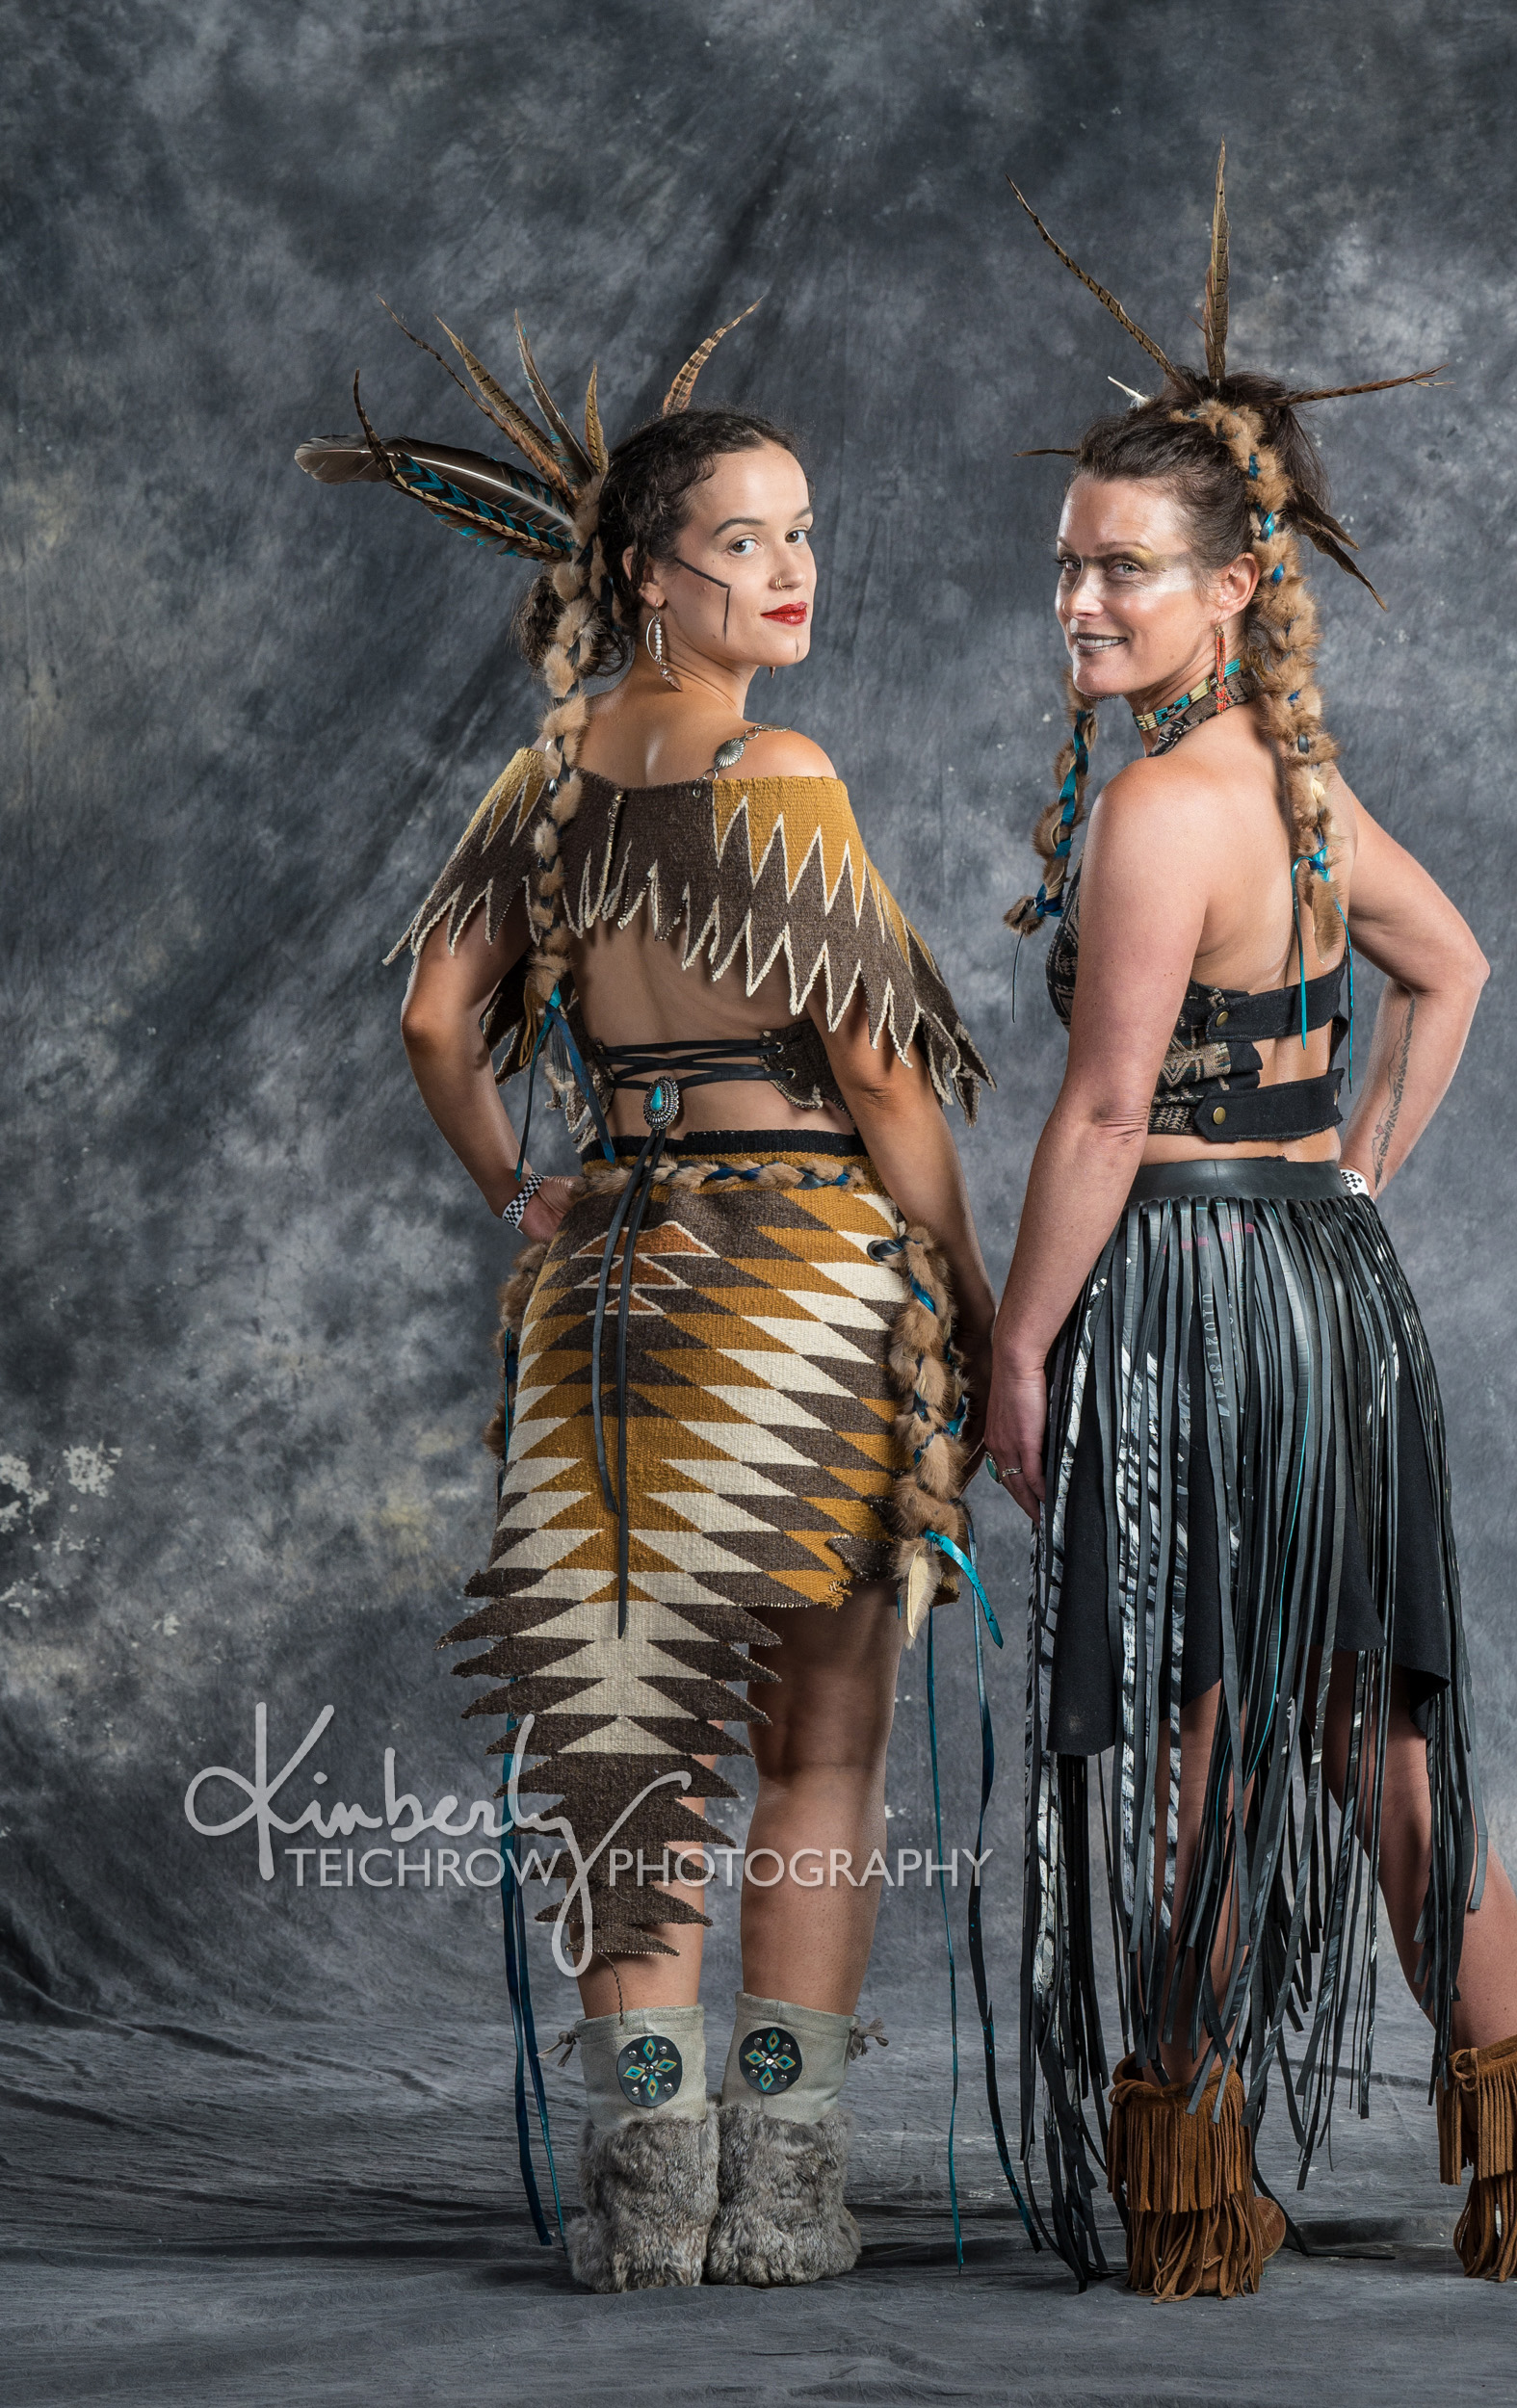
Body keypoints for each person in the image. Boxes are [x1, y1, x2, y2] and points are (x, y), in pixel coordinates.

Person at [984, 159, 1517, 2298]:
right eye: (1068, 567)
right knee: (1380, 1729)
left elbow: (1105, 1112)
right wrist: (1352, 1172)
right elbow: (1451, 967)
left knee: (1206, 1729)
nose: (1080, 604)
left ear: (1229, 580)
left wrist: (1016, 1347)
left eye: (1121, 570)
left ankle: (1192, 2192)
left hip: (1193, 1289)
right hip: (1330, 1295)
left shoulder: (1156, 809)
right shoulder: (1289, 785)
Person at [298, 304, 994, 2290]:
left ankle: (647, 2186)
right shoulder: (780, 772)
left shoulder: (543, 782)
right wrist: (972, 1292)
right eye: (745, 540)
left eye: (803, 532)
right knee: (816, 1751)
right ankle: (783, 2180)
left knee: (624, 1747)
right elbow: (880, 1078)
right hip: (793, 1280)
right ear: (648, 573)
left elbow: (436, 1023)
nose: (791, 569)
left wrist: (519, 1186)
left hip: (601, 1285)